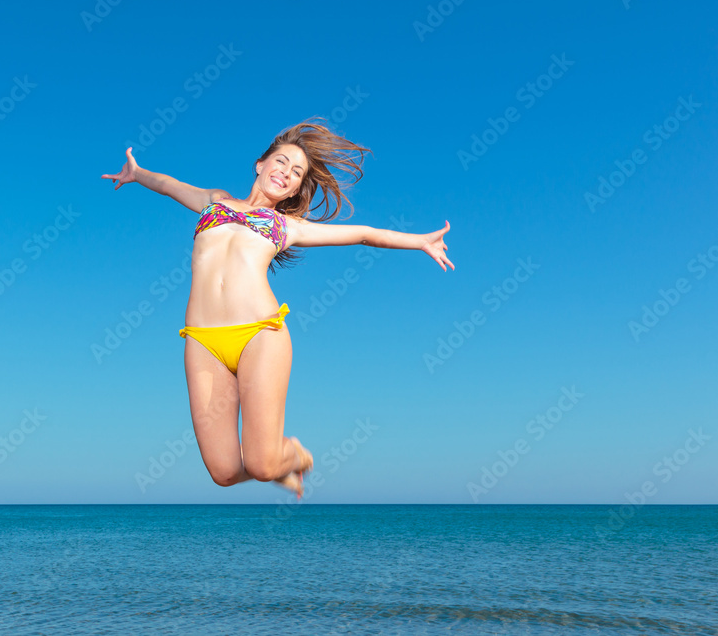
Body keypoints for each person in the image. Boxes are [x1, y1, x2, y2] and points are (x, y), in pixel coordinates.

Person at [102, 119, 454, 497]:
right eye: (282, 162)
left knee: (261, 464)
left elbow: (365, 234)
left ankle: (294, 454)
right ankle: (277, 465)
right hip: (203, 342)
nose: (286, 173)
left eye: (297, 173)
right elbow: (172, 186)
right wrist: (138, 174)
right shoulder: (215, 202)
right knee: (223, 472)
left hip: (261, 333)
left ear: (297, 188)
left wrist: (420, 242)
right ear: (261, 164)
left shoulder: (287, 226)